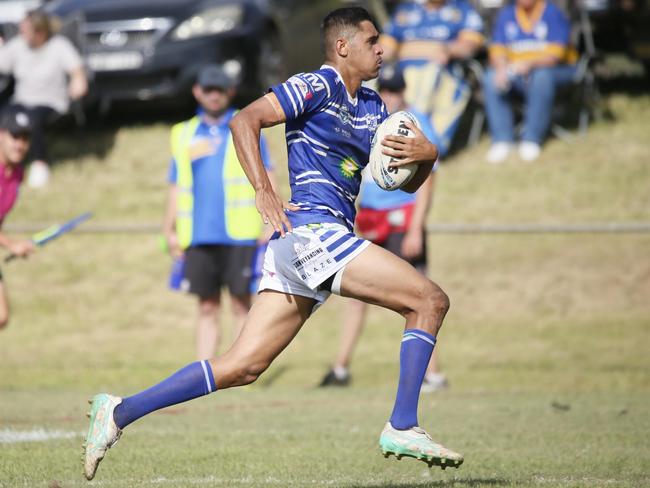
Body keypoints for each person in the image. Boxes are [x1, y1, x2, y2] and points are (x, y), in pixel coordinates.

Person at [83, 7, 463, 481]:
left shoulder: (374, 110)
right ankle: (403, 423)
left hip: (313, 244)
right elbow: (245, 119)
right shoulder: (316, 85)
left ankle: (118, 412)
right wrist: (263, 189)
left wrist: (428, 156)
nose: (382, 49)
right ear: (343, 47)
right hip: (311, 234)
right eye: (372, 41)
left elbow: (401, 185)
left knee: (243, 366)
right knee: (429, 300)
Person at [320, 65, 447, 392]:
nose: (390, 95)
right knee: (355, 296)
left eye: (396, 89)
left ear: (404, 90)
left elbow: (428, 180)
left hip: (401, 218)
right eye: (386, 89)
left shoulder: (415, 124)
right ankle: (340, 368)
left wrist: (416, 228)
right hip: (370, 218)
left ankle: (433, 375)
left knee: (421, 296)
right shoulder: (371, 120)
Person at [163, 64, 275, 360]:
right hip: (199, 235)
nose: (214, 96)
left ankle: (238, 366)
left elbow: (268, 175)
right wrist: (169, 229)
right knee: (207, 306)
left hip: (240, 234)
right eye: (209, 90)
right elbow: (176, 185)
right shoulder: (183, 133)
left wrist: (271, 221)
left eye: (220, 90)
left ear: (231, 92)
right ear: (197, 92)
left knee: (241, 304)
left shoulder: (245, 125)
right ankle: (204, 372)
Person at [380, 0, 484, 157]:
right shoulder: (406, 10)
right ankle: (383, 138)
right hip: (402, 76)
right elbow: (385, 48)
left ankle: (413, 140)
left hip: (443, 75)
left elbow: (470, 45)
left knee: (428, 74)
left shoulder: (461, 9)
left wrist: (448, 49)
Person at [0, 10, 88, 188]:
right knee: (7, 115)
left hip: (50, 102)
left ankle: (39, 163)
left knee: (31, 119)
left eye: (25, 30)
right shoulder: (18, 45)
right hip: (21, 101)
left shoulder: (59, 46)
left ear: (40, 32)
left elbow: (77, 70)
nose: (21, 33)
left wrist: (78, 81)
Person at [483, 0, 578, 163]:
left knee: (541, 76)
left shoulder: (552, 12)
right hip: (515, 72)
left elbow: (556, 55)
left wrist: (529, 63)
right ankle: (502, 139)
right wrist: (501, 68)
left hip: (555, 71)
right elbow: (497, 49)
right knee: (490, 76)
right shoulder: (506, 14)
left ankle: (532, 139)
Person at [0, 107, 35, 328]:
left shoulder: (17, 174)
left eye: (25, 138)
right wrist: (11, 244)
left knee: (1, 316)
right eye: (14, 136)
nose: (19, 144)